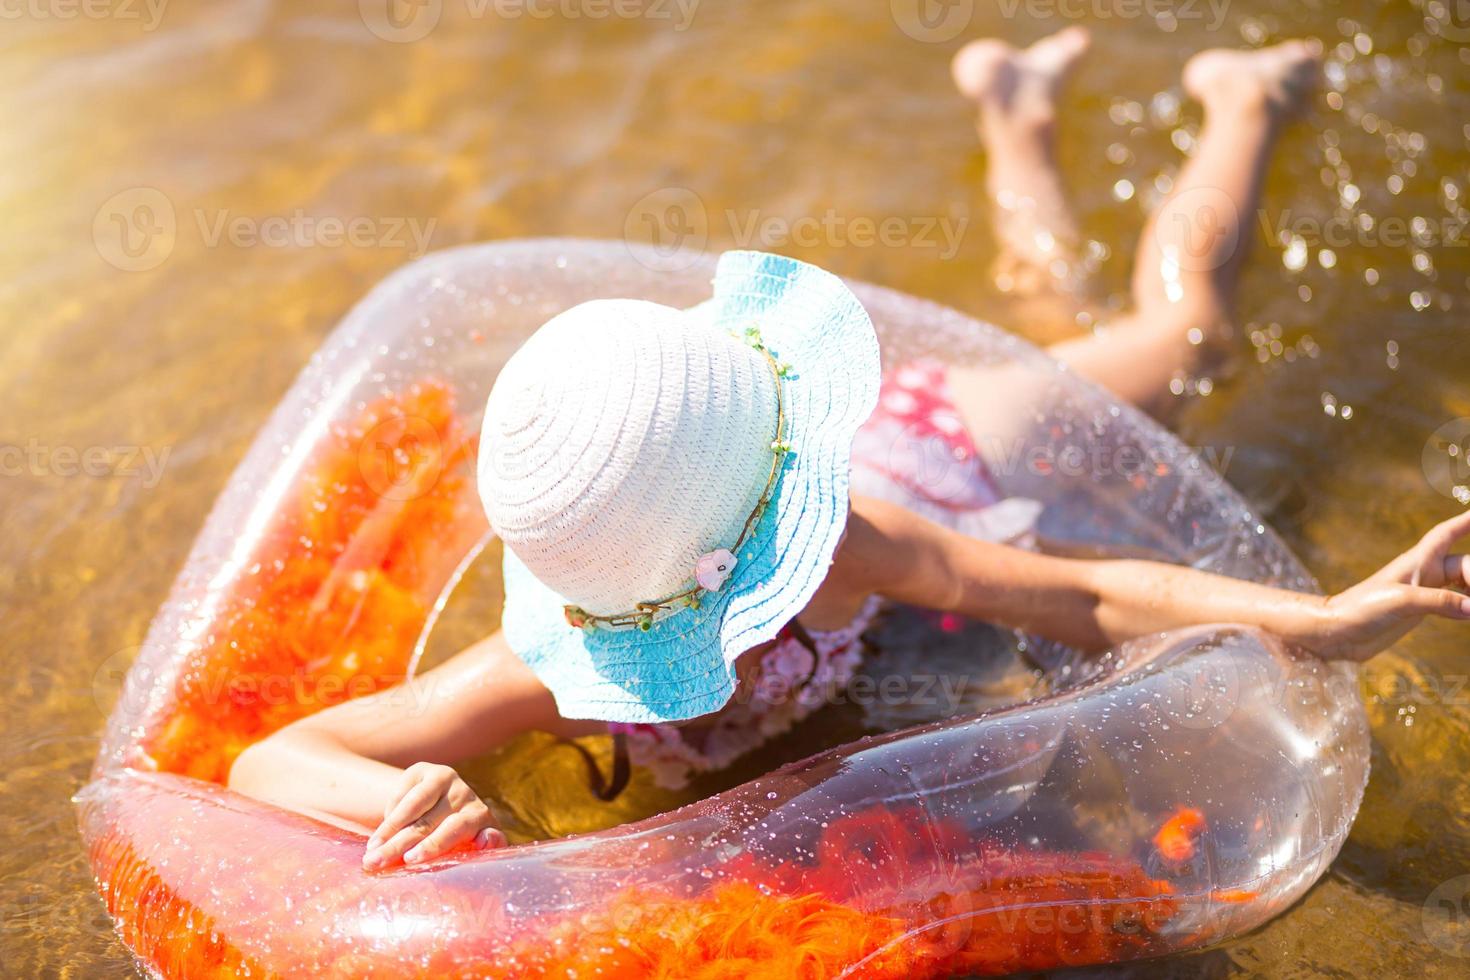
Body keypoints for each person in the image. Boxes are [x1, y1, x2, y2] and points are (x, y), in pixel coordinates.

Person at [229, 29, 1470, 874]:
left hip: (931, 449)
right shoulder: (557, 670)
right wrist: (420, 803)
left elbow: (1078, 587)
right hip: (765, 458)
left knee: (1186, 338)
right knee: (1052, 325)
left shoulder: (850, 537)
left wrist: (1324, 620)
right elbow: (273, 756)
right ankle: (1016, 108)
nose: (772, 594)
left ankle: (1239, 94)